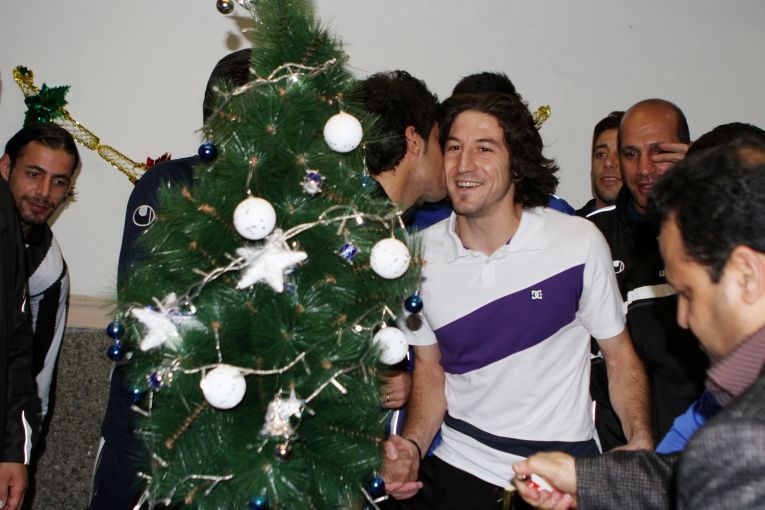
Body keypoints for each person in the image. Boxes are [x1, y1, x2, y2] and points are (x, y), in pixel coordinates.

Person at [382, 92, 651, 508]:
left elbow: (619, 358)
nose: (463, 164)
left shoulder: (578, 242)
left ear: (518, 165)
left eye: (484, 148)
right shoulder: (415, 257)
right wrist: (413, 447)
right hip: (462, 467)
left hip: (562, 473)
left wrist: (640, 439)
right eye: (454, 147)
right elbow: (431, 371)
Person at [514, 139, 765, 509]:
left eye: (688, 293)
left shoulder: (744, 436)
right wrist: (587, 480)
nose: (682, 318)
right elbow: (695, 474)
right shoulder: (737, 423)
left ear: (746, 274)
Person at [89, 49, 253, 510]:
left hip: (238, 438)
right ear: (218, 115)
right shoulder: (170, 184)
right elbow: (146, 306)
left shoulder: (287, 203)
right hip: (150, 426)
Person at [586, 99, 708, 447]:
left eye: (659, 153)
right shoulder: (589, 236)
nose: (643, 169)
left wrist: (705, 177)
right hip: (616, 452)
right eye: (631, 154)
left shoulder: (718, 235)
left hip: (703, 449)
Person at [0, 124, 79, 438]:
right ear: (6, 167)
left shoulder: (47, 268)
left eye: (58, 182)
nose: (44, 193)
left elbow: (37, 379)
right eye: (34, 174)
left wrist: (22, 451)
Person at [577, 111, 624, 217]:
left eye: (620, 154)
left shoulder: (658, 225)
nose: (608, 162)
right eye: (601, 154)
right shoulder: (568, 224)